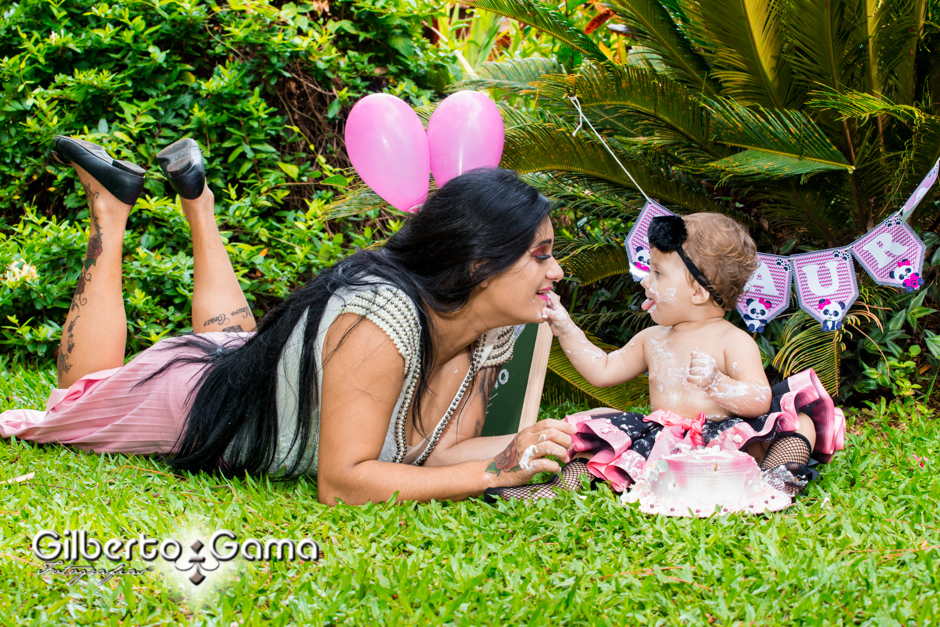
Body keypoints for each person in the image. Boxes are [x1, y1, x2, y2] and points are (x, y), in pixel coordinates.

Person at [0, 136, 584, 506]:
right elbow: (343, 483)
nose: (556, 271)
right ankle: (110, 207)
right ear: (479, 264)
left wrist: (570, 438)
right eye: (540, 255)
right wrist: (492, 473)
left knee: (233, 344)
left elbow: (441, 449)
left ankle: (198, 201)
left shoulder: (493, 328)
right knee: (74, 399)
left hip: (244, 367)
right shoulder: (380, 320)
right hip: (193, 403)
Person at [485, 213, 844, 501]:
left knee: (799, 420)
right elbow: (602, 370)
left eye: (657, 273)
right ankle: (560, 487)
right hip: (664, 442)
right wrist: (565, 328)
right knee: (598, 442)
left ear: (699, 292)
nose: (645, 281)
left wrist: (718, 384)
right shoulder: (651, 340)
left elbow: (759, 399)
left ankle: (776, 480)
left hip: (727, 443)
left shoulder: (732, 341)